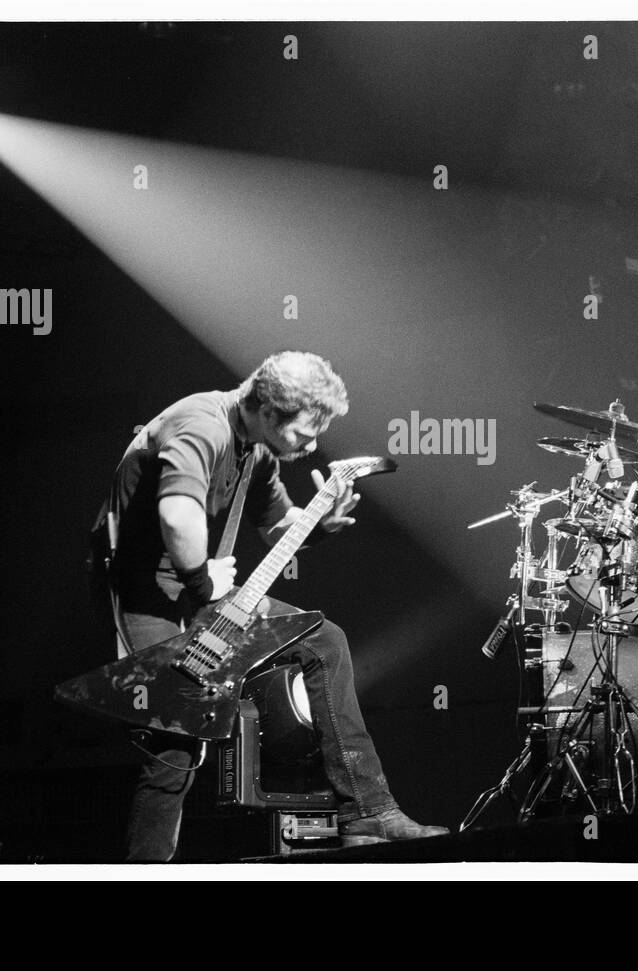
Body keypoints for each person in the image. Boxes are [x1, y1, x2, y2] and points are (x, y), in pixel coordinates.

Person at [92, 350, 448, 859]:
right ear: (266, 409)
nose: (312, 444)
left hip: (194, 584)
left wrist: (318, 525)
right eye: (304, 432)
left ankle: (368, 813)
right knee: (175, 736)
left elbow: (278, 526)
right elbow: (176, 516)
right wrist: (203, 580)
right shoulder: (200, 426)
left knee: (323, 641)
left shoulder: (254, 449)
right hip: (142, 591)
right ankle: (145, 869)